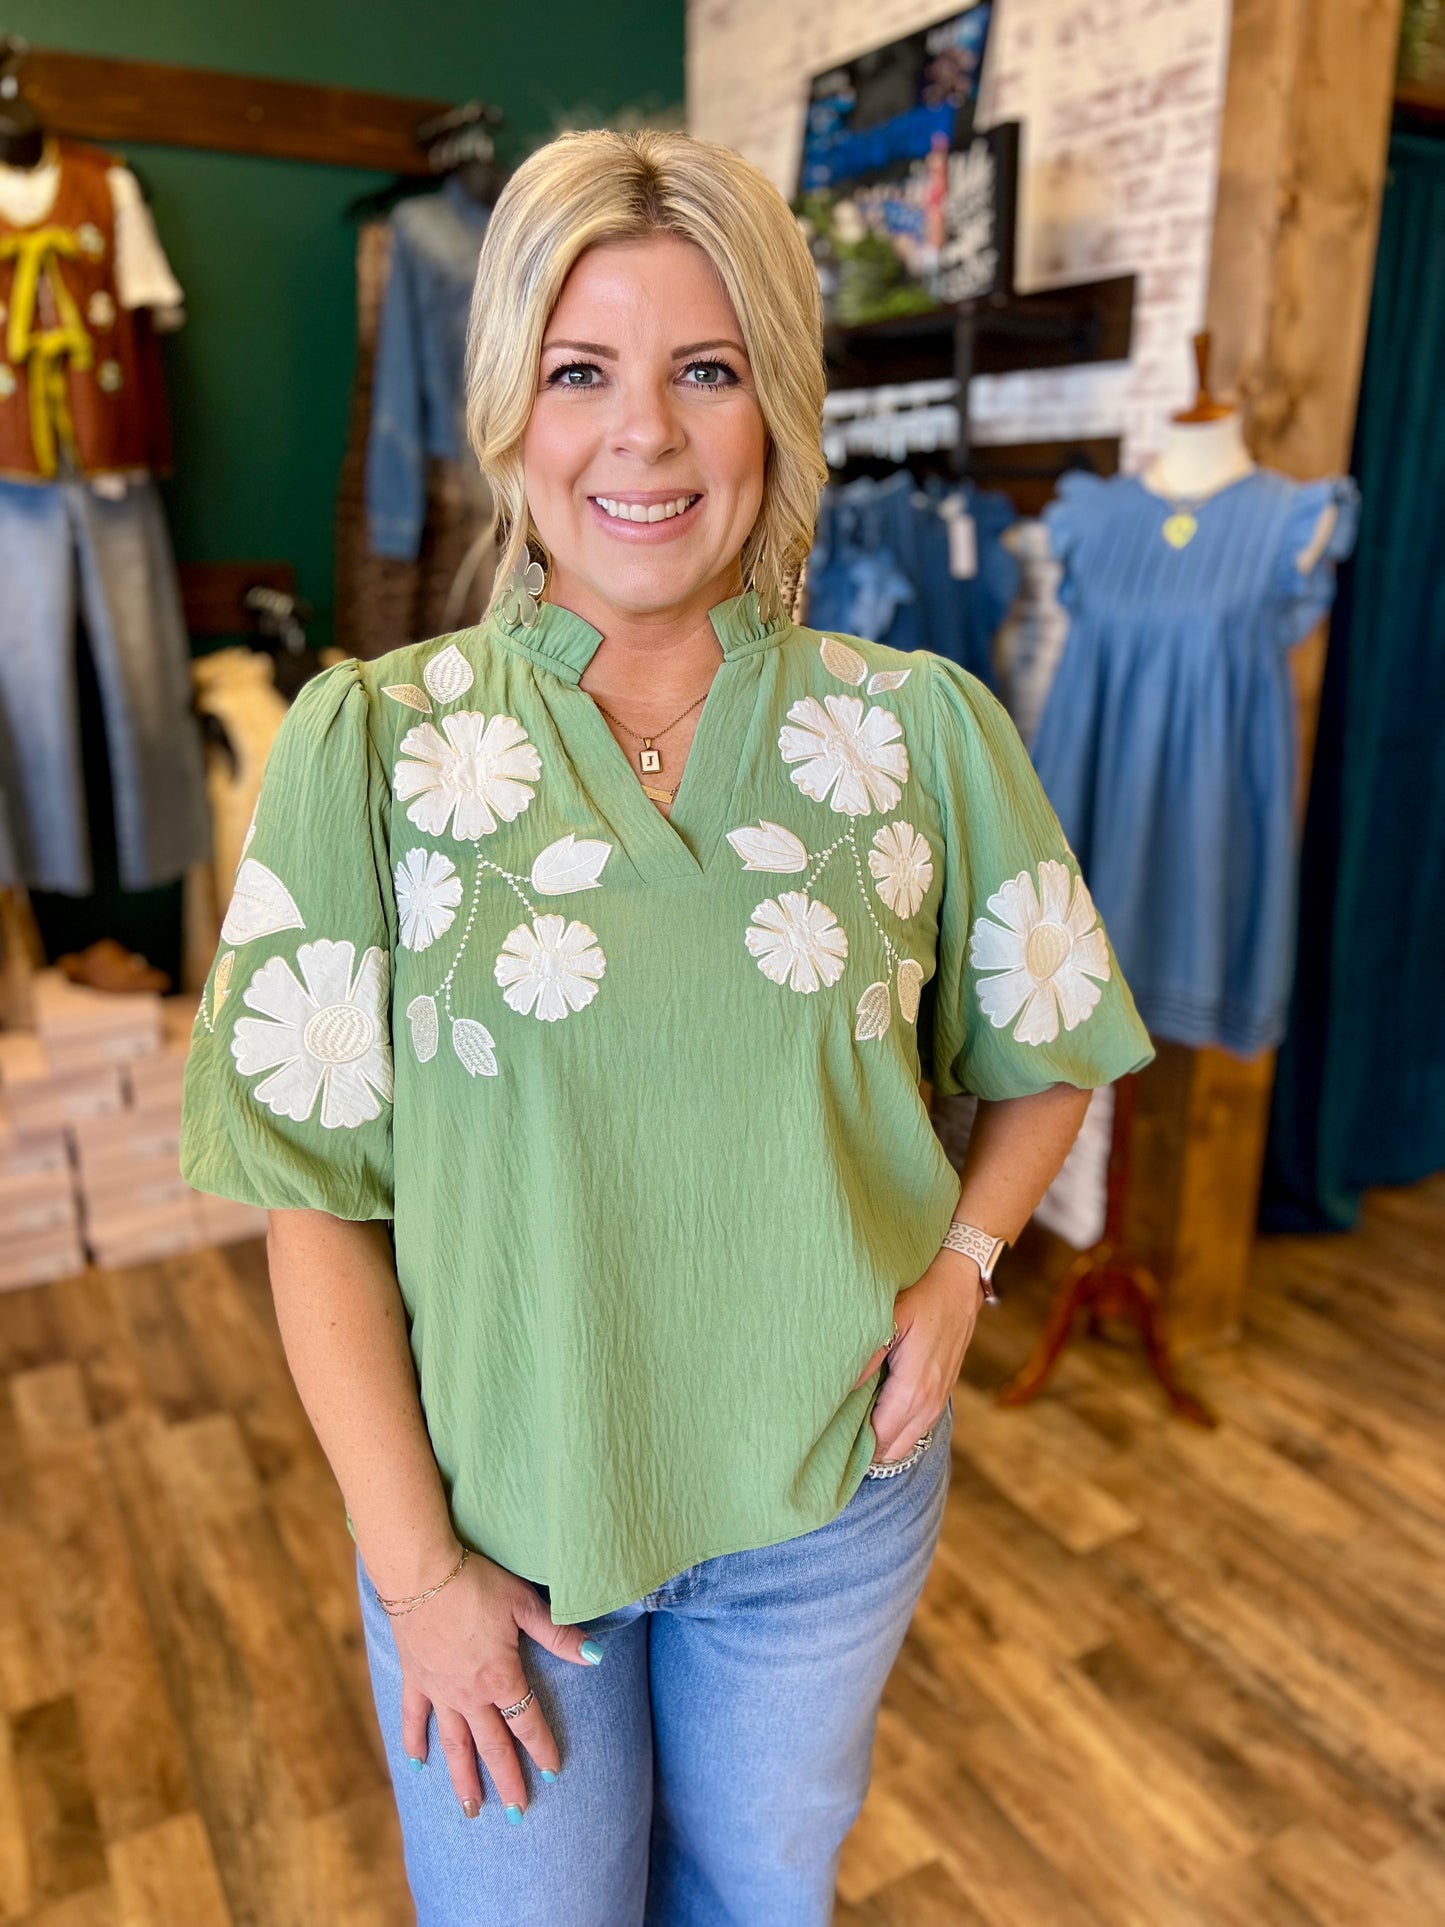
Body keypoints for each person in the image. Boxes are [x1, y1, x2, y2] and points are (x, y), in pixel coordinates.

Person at [179, 127, 1154, 1927]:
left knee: (757, 1899)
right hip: (499, 1521)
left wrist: (963, 1262)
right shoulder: (371, 748)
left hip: (827, 1508)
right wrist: (419, 1580)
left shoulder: (918, 731)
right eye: (580, 371)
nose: (642, 432)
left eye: (704, 370)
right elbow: (307, 1200)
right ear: (510, 417)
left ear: (773, 405)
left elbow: (1052, 1047)